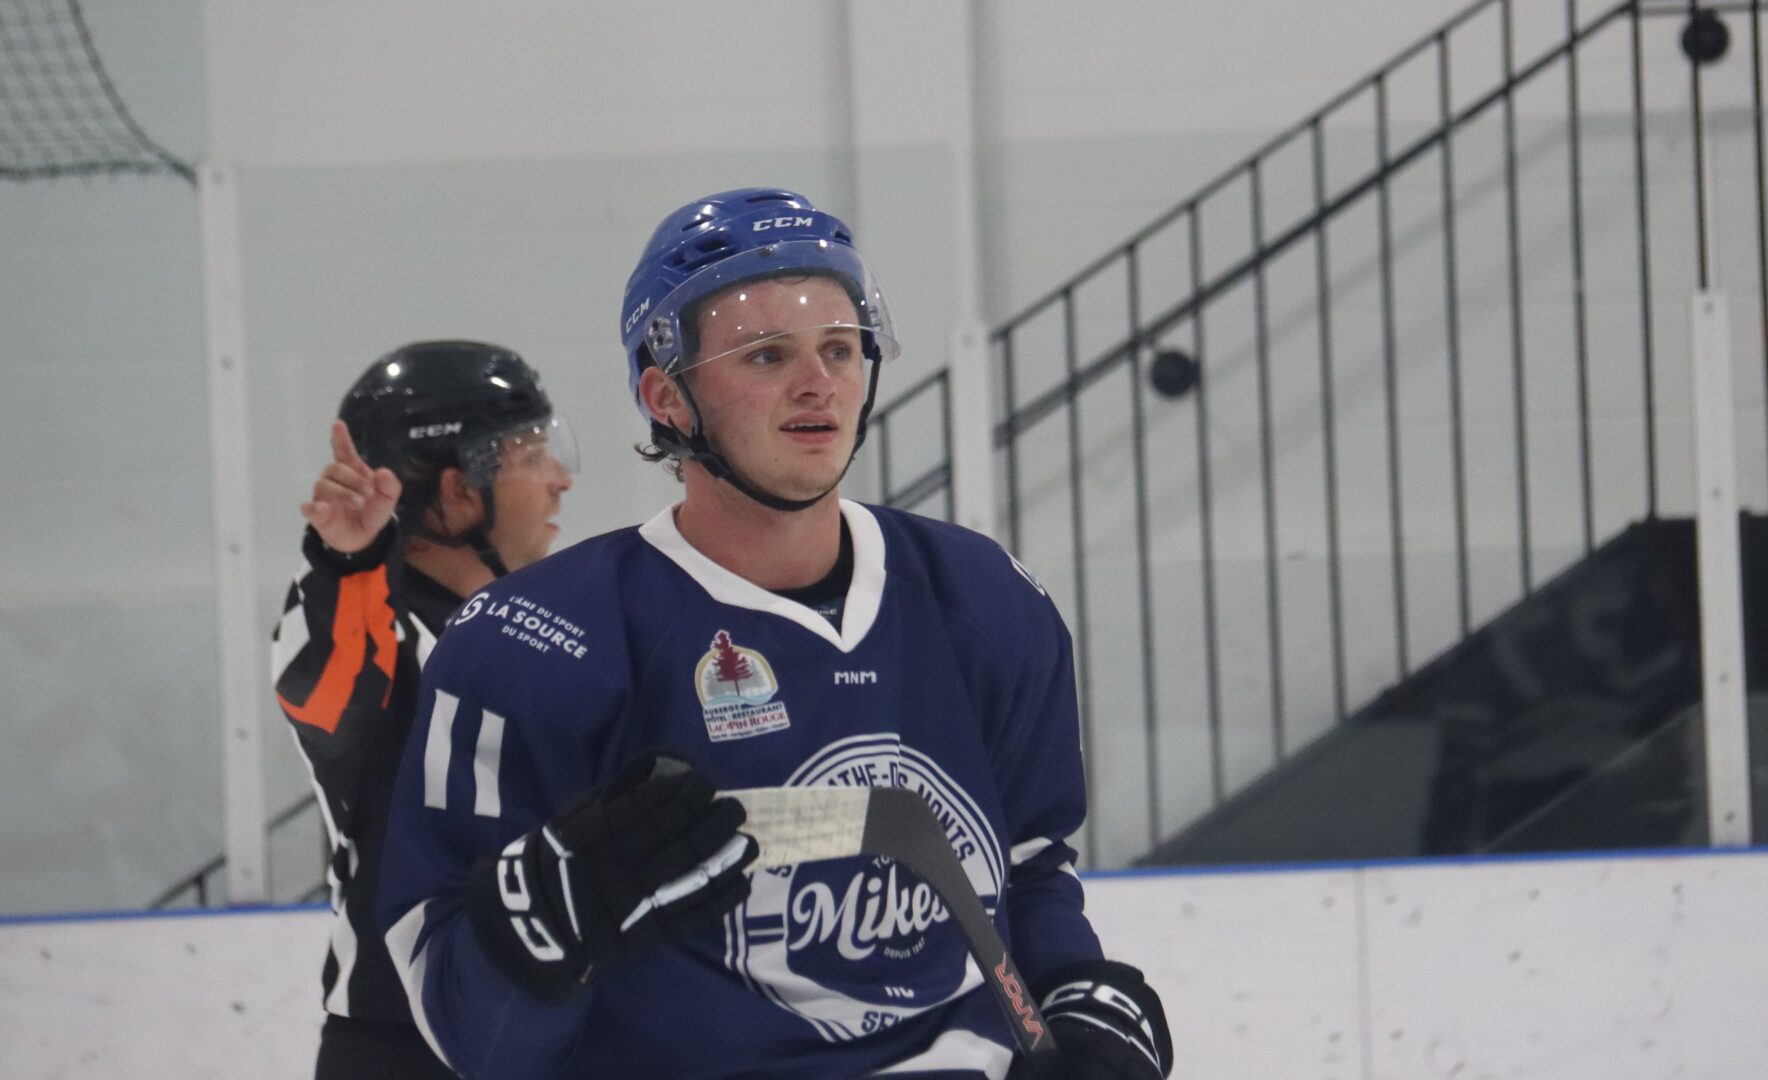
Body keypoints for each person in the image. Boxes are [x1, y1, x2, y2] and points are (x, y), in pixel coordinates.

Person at [378, 190, 1173, 1079]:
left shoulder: (987, 602)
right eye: (767, 355)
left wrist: (1080, 998)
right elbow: (464, 1028)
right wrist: (531, 941)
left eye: (840, 348)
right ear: (667, 397)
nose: (818, 383)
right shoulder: (535, 644)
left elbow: (1027, 868)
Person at [272, 341, 576, 1079]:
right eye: (533, 455)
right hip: (402, 1044)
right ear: (460, 490)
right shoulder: (382, 628)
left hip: (552, 1030)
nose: (560, 479)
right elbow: (334, 685)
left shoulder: (548, 628)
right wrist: (348, 563)